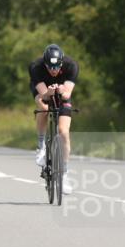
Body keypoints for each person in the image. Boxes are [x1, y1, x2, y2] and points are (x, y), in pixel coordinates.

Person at [30, 44, 78, 194]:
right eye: (50, 67)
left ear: (62, 63)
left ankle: (64, 174)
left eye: (57, 67)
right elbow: (43, 95)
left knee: (64, 132)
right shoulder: (36, 67)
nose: (53, 70)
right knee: (43, 108)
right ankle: (41, 146)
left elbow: (67, 94)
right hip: (42, 91)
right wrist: (48, 93)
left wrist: (62, 91)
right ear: (45, 64)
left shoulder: (71, 66)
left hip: (62, 93)